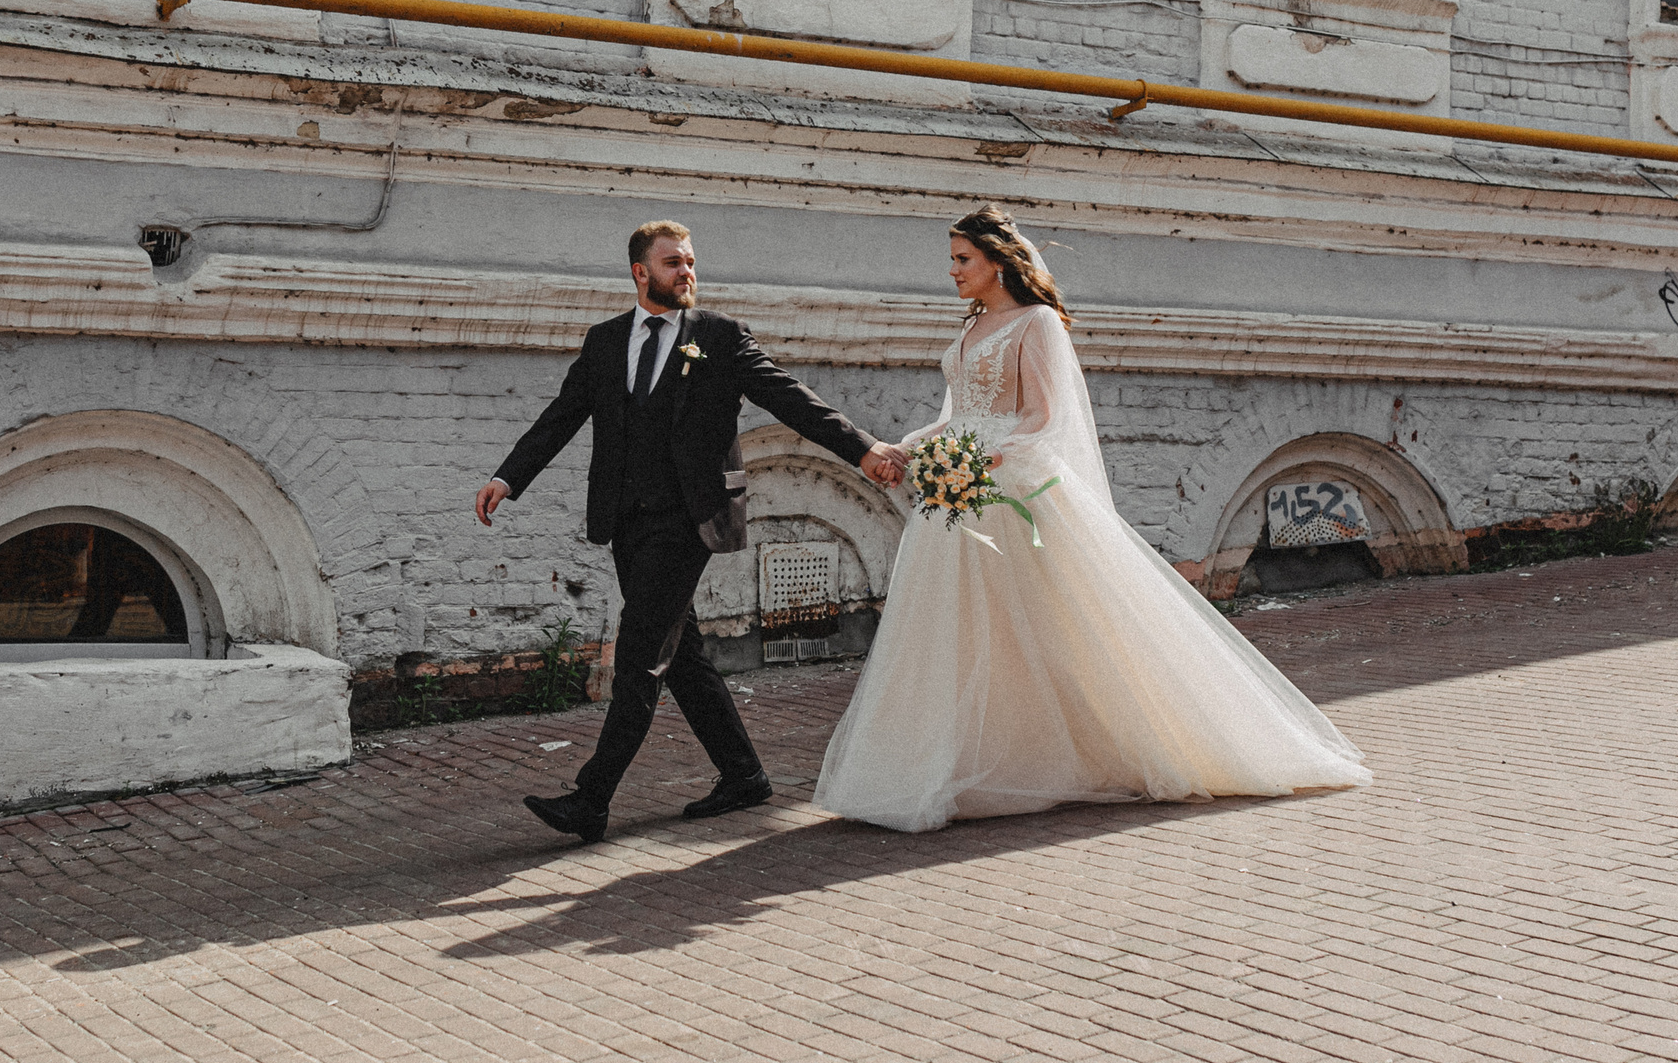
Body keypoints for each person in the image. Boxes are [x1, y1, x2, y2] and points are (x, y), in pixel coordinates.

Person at [813, 206, 1372, 832]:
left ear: (998, 262)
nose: (953, 272)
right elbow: (958, 414)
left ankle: (1120, 744)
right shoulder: (972, 326)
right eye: (952, 260)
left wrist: (973, 459)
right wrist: (907, 449)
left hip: (1008, 491)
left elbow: (1044, 419)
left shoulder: (1037, 322)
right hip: (959, 494)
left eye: (962, 260)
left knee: (1058, 624)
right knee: (962, 631)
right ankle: (965, 760)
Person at [476, 220, 906, 844]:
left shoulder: (721, 339)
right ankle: (743, 774)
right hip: (626, 519)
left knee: (641, 652)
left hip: (690, 519)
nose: (687, 272)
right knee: (682, 655)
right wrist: (509, 477)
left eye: (691, 262)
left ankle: (592, 799)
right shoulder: (604, 342)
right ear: (639, 272)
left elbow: (792, 399)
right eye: (673, 262)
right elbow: (561, 417)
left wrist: (862, 449)